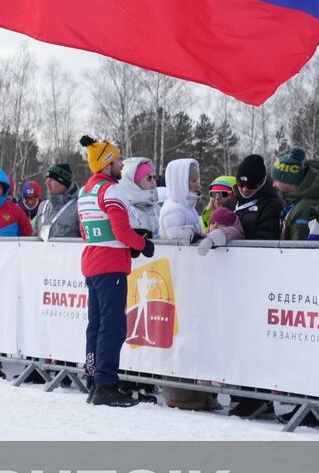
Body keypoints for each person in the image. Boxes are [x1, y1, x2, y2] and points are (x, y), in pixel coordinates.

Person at [76, 136, 152, 407]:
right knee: (113, 326)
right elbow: (120, 230)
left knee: (95, 325)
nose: (121, 163)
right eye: (118, 159)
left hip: (93, 261)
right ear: (108, 163)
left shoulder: (86, 191)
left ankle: (94, 381)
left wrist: (127, 243)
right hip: (111, 265)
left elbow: (88, 230)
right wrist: (142, 244)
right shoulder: (112, 191)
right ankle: (106, 384)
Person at [272, 147, 319, 241]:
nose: (273, 184)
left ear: (290, 181)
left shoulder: (305, 207)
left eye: (277, 180)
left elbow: (298, 245)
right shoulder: (294, 199)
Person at [233, 154, 282, 240]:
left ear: (261, 183)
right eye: (241, 184)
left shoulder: (271, 205)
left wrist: (234, 238)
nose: (245, 189)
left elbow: (267, 238)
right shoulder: (232, 201)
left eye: (251, 186)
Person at [158, 158, 203, 243]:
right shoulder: (172, 208)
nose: (198, 185)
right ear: (181, 182)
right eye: (194, 181)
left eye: (198, 180)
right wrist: (192, 234)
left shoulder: (188, 205)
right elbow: (175, 239)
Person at [36, 162, 80, 239]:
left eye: (52, 179)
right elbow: (35, 235)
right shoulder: (42, 206)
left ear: (63, 182)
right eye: (47, 179)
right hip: (42, 250)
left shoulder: (78, 207)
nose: (47, 183)